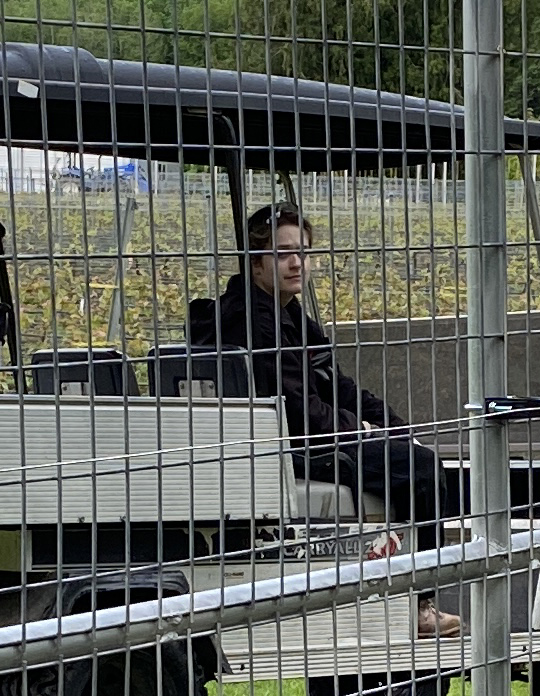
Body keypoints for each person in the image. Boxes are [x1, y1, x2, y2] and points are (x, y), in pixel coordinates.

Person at [187, 206, 464, 603]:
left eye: (303, 251)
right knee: (422, 470)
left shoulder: (289, 314)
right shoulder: (253, 322)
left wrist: (393, 425)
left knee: (411, 454)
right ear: (256, 262)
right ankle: (421, 602)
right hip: (288, 447)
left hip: (310, 437)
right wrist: (362, 429)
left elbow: (336, 383)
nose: (297, 263)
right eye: (283, 253)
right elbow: (298, 410)